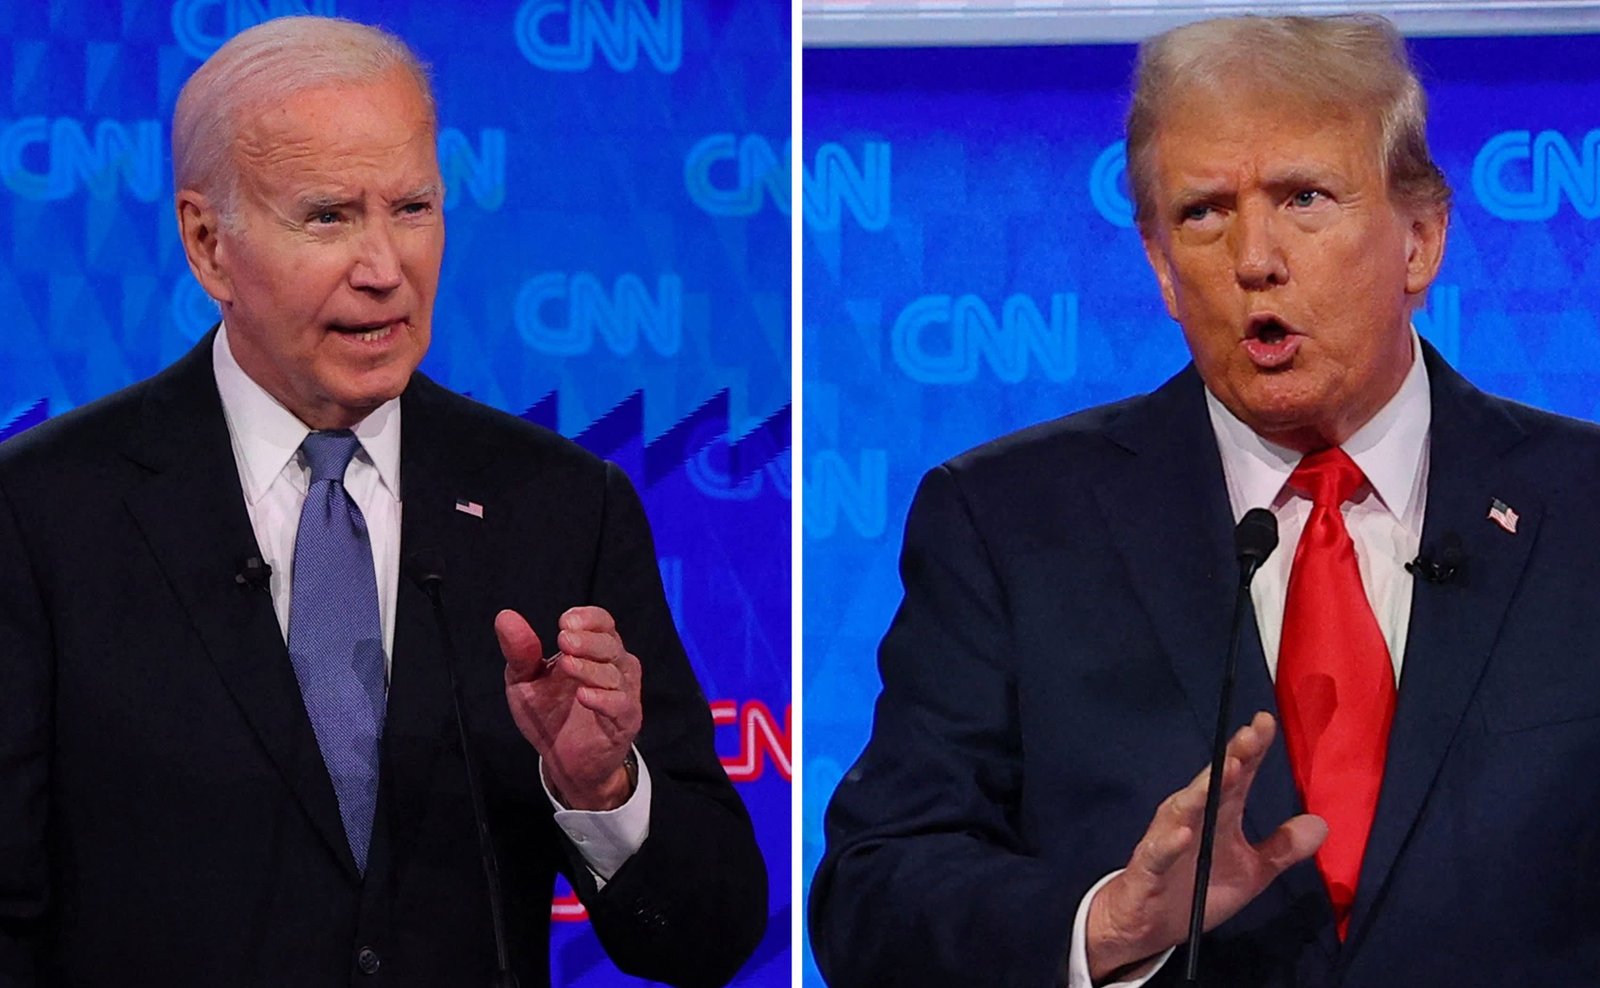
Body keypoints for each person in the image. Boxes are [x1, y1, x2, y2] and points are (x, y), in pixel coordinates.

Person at [810, 13, 1600, 988]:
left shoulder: (1583, 509)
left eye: (1304, 197)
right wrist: (1106, 924)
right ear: (1159, 268)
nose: (1253, 257)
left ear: (1420, 240)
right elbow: (871, 893)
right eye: (1203, 212)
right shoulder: (1007, 523)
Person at [0, 16, 764, 988]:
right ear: (207, 243)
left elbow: (706, 934)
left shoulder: (559, 506)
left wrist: (600, 787)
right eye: (327, 217)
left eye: (411, 207)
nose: (383, 266)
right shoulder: (41, 513)